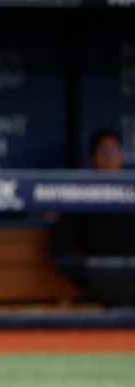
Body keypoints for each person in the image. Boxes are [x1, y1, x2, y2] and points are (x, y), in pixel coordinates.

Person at [51, 129, 135, 307]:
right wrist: (85, 273)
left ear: (121, 156)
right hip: (98, 276)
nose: (109, 157)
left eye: (114, 151)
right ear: (92, 158)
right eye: (103, 151)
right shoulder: (81, 194)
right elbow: (60, 243)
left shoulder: (131, 191)